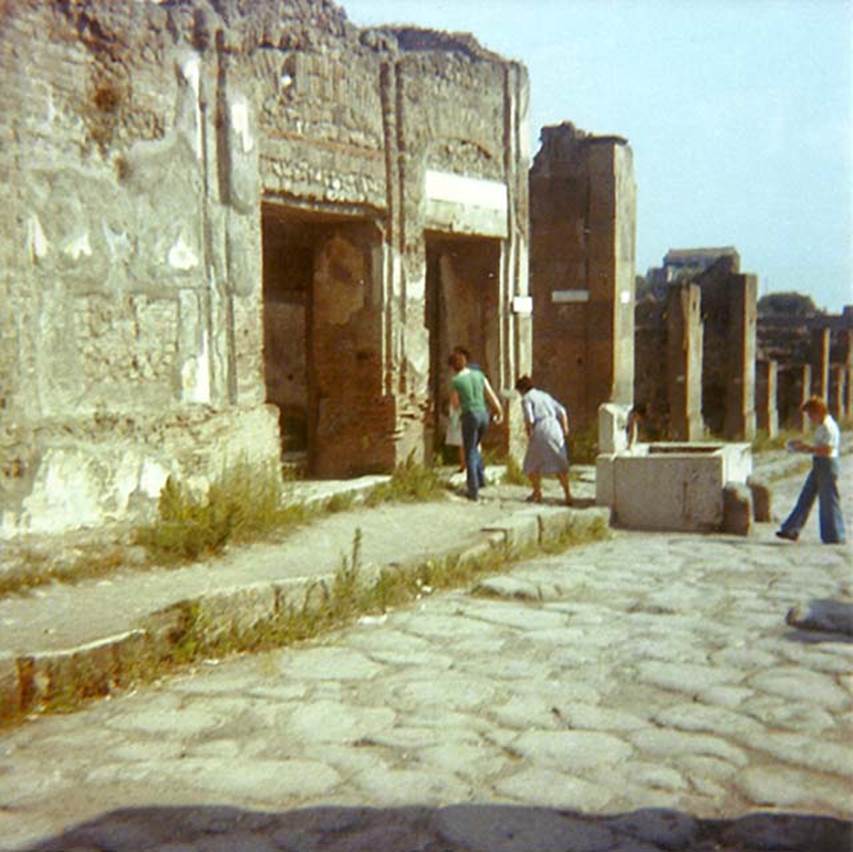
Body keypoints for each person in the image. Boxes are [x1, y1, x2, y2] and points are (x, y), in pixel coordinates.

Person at [776, 396, 846, 544]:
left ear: (818, 411)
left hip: (827, 464)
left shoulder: (829, 427)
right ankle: (791, 529)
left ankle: (835, 535)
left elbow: (827, 449)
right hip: (820, 463)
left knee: (828, 501)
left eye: (810, 414)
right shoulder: (822, 426)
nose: (810, 418)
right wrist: (804, 446)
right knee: (806, 496)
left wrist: (806, 448)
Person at [448, 350, 503, 501]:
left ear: (452, 367)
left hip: (470, 416)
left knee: (469, 452)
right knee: (476, 445)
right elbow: (490, 394)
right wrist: (499, 411)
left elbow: (455, 403)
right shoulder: (479, 375)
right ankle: (481, 480)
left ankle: (473, 490)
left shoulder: (456, 381)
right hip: (483, 414)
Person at [515, 375, 572, 506]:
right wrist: (565, 427)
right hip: (554, 425)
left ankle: (537, 492)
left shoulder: (526, 399)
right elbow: (562, 410)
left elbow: (529, 418)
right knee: (559, 460)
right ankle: (567, 494)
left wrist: (529, 432)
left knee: (531, 462)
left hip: (541, 427)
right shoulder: (544, 395)